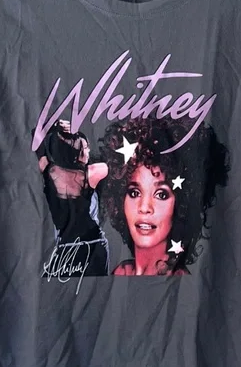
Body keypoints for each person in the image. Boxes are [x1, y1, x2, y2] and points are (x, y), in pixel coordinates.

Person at [98, 116, 231, 276]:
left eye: (161, 194)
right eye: (134, 193)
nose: (144, 208)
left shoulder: (179, 283)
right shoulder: (119, 274)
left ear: (182, 205)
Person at [34, 119, 109, 278]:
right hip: (93, 243)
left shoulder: (47, 170)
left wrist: (54, 129)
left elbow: (36, 138)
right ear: (79, 154)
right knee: (98, 289)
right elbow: (108, 165)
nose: (88, 151)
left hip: (64, 246)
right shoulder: (91, 174)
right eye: (85, 148)